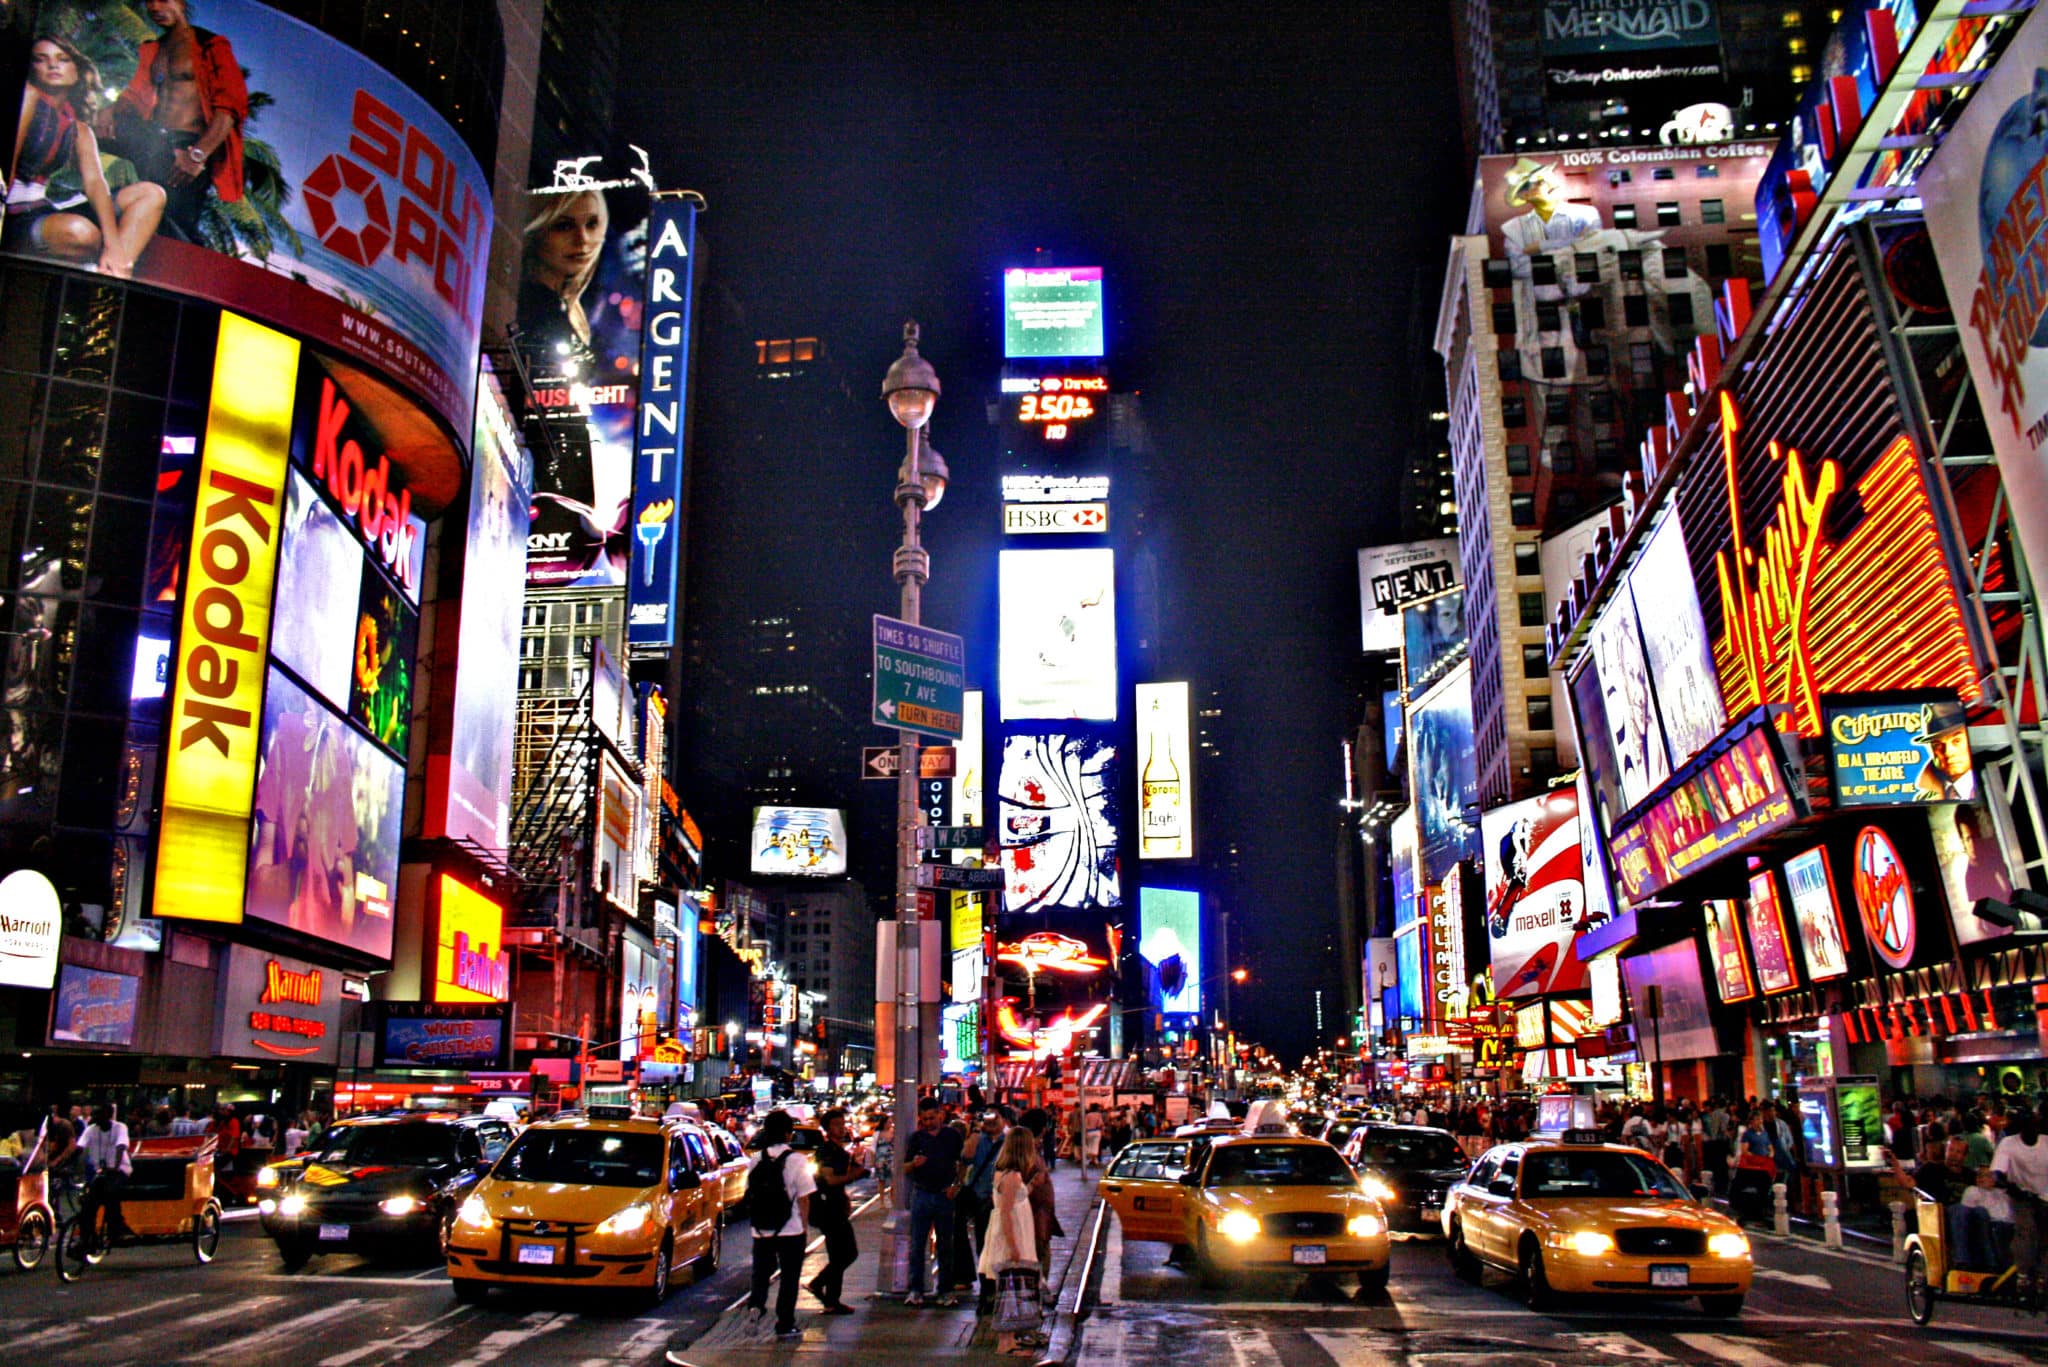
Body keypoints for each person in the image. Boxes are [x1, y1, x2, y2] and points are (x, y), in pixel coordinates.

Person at [6, 35, 164, 277]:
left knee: (151, 194)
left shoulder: (78, 128)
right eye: (41, 59)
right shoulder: (28, 96)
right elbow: (8, 162)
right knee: (80, 233)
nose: (52, 65)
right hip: (13, 213)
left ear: (77, 70)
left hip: (45, 210)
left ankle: (112, 274)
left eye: (63, 59)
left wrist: (114, 247)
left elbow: (95, 185)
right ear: (32, 68)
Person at [95, 0, 249, 245]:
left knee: (171, 231)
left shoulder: (211, 45)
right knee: (86, 131)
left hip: (188, 150)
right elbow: (136, 95)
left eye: (163, 0)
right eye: (150, 2)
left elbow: (230, 107)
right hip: (154, 141)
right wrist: (110, 111)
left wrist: (198, 155)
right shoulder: (155, 49)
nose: (155, 8)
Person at [744, 1109, 815, 1341]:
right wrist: (804, 1228)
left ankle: (757, 1305)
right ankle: (785, 1323)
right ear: (788, 1134)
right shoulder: (797, 1160)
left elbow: (750, 1193)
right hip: (790, 1229)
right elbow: (804, 1198)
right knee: (789, 1277)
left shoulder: (755, 1160)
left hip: (761, 1229)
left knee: (761, 1273)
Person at [519, 189, 608, 366]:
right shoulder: (531, 306)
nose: (582, 239)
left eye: (591, 224)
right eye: (564, 226)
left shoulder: (567, 308)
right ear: (536, 230)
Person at [980, 1127, 1044, 1357]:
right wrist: (1013, 1245)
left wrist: (1032, 1185)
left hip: (1013, 1233)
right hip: (1011, 1235)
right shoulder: (1011, 1177)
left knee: (1010, 1287)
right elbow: (1006, 1211)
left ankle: (1009, 1338)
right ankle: (1005, 1341)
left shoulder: (1007, 1174)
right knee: (1008, 1288)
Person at [903, 1097, 963, 1307]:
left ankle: (945, 1290)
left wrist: (956, 1185)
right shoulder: (917, 1138)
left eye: (932, 1117)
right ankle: (915, 1289)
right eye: (925, 1119)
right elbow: (905, 1167)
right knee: (918, 1244)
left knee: (946, 1245)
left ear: (941, 1115)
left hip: (944, 1195)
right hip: (922, 1194)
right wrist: (914, 1163)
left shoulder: (952, 1136)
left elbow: (961, 1163)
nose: (928, 1122)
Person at [803, 1107, 864, 1315]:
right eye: (837, 1125)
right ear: (828, 1129)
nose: (842, 1128)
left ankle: (831, 1299)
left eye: (842, 1123)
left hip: (835, 1205)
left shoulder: (840, 1151)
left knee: (839, 1255)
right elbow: (830, 1179)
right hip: (827, 1209)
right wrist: (855, 1175)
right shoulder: (827, 1151)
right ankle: (819, 1284)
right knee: (847, 1253)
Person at [1992, 1105, 2048, 1298]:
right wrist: (2009, 1186)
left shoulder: (2047, 1143)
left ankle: (2043, 1275)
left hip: (2045, 1197)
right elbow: (1997, 1172)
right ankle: (2023, 1275)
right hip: (2020, 1196)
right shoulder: (2008, 1144)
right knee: (2027, 1228)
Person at [958, 1110, 1005, 1308]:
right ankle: (986, 1290)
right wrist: (975, 1133)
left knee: (1000, 1246)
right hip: (981, 1199)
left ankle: (998, 1289)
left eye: (996, 1118)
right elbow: (965, 1157)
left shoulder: (1008, 1140)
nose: (992, 1123)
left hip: (1003, 1200)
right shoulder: (978, 1140)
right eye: (988, 1119)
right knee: (983, 1246)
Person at [79, 1104, 132, 1244]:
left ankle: (116, 1228)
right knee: (87, 1203)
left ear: (108, 1115)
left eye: (98, 1114)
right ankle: (87, 1237)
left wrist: (115, 1166)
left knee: (111, 1191)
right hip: (101, 1172)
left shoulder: (120, 1127)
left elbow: (121, 1147)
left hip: (119, 1170)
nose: (94, 1118)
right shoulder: (91, 1130)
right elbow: (79, 1148)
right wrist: (65, 1165)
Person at [1912, 701, 1977, 801]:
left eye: (1957, 741)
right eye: (1938, 745)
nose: (1948, 752)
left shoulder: (1988, 782)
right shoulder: (1923, 795)